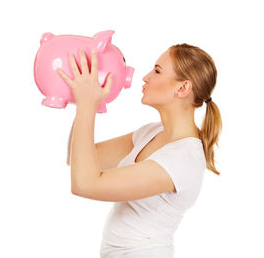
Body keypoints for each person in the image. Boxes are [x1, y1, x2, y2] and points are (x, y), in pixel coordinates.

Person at [67, 43, 222, 258]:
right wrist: (83, 101)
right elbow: (78, 158)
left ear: (183, 88)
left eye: (157, 71)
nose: (145, 77)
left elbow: (85, 184)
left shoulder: (183, 158)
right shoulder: (150, 133)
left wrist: (87, 105)